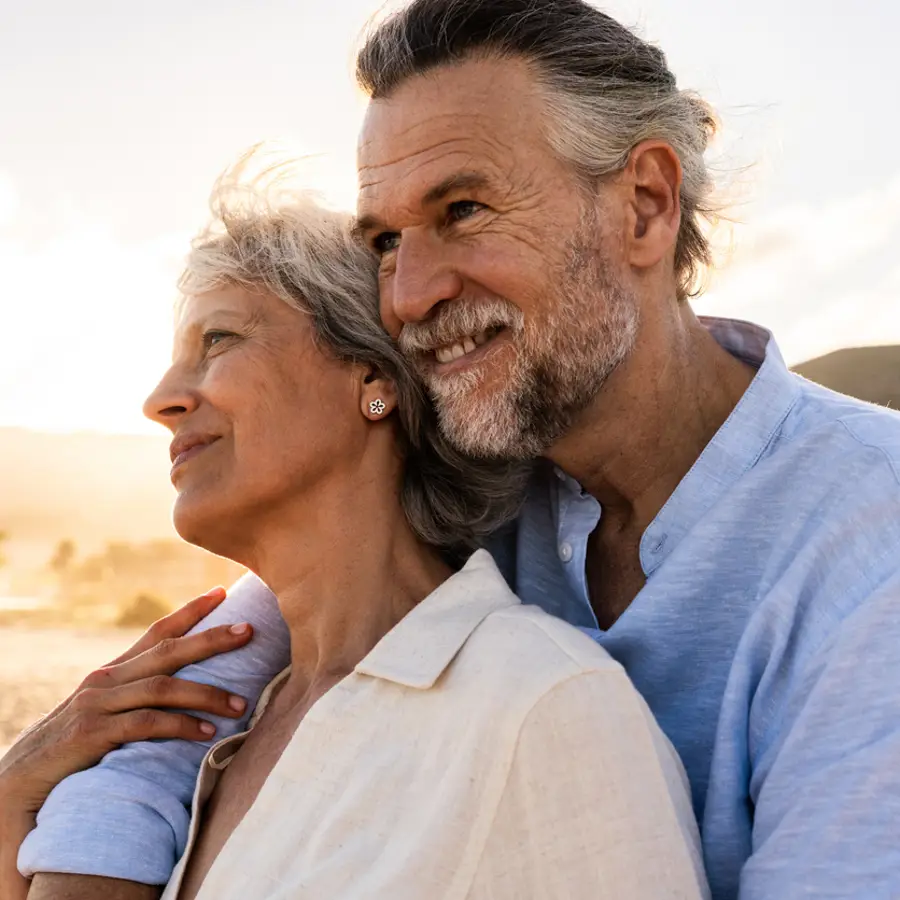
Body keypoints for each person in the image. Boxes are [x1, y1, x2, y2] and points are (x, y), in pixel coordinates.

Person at [16, 0, 900, 897]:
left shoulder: (874, 540)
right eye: (387, 240)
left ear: (645, 206)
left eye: (464, 209)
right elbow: (201, 691)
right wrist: (51, 808)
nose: (409, 294)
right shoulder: (474, 486)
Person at [2, 165, 709, 900]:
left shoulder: (543, 706)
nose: (161, 401)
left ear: (373, 381)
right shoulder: (217, 734)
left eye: (218, 339)